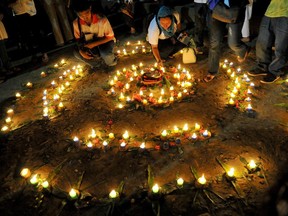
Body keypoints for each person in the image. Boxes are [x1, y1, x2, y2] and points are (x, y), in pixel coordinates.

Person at [204, 0, 250, 82]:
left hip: (235, 10)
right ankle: (212, 70)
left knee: (233, 43)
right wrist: (211, 4)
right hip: (217, 8)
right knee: (214, 43)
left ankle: (242, 49)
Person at [247, 0, 288, 83]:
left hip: (285, 14)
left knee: (280, 46)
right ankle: (262, 66)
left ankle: (275, 71)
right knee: (262, 42)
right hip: (269, 13)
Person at [72, 0, 117, 69]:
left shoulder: (102, 19)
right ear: (77, 14)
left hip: (105, 41)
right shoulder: (76, 23)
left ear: (90, 8)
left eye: (87, 13)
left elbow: (110, 37)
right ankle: (97, 64)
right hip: (89, 44)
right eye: (81, 15)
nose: (85, 17)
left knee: (105, 53)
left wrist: (93, 44)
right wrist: (81, 51)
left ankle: (111, 63)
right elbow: (78, 40)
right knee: (76, 53)